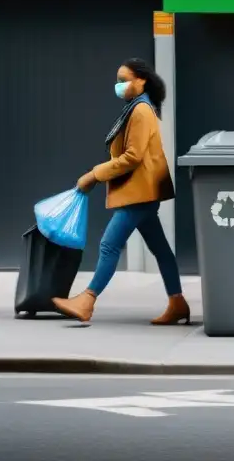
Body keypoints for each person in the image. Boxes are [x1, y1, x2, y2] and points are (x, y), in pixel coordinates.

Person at [52, 58, 189, 325]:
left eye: (124, 80)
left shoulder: (140, 111)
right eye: (118, 81)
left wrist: (94, 174)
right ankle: (177, 302)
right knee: (160, 250)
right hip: (143, 191)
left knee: (109, 245)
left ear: (142, 80)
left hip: (140, 192)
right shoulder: (136, 108)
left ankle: (86, 301)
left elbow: (132, 157)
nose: (120, 86)